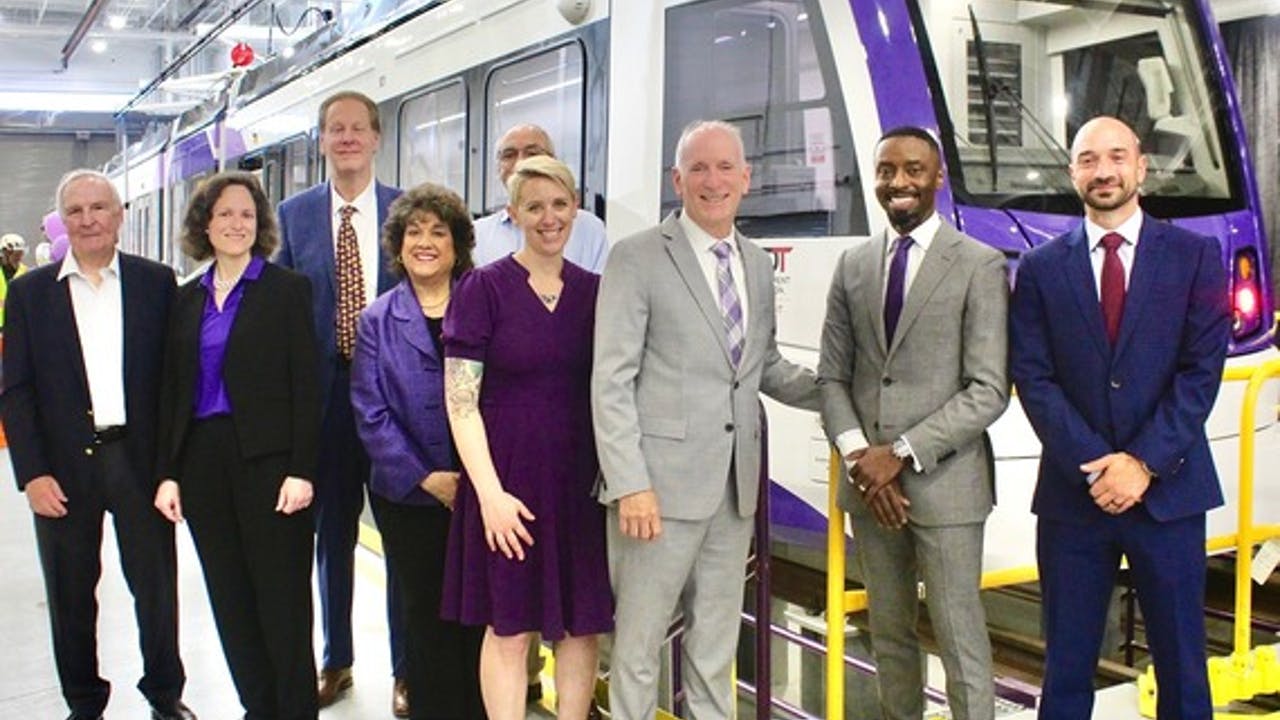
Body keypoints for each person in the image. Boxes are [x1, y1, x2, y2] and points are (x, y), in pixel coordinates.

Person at [592, 120, 819, 720]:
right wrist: (629, 484)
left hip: (734, 489)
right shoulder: (636, 258)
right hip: (655, 494)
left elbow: (761, 366)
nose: (712, 181)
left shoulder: (755, 262)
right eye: (698, 168)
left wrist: (840, 392)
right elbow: (610, 381)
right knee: (638, 648)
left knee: (715, 646)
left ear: (746, 179)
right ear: (677, 180)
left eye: (725, 168)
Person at [1009, 115, 1230, 720]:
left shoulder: (1194, 257)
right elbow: (1034, 377)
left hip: (1169, 494)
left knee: (1184, 672)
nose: (1102, 171)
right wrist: (1099, 466)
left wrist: (1143, 464)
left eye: (1115, 157)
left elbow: (1199, 372)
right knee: (1067, 672)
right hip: (1073, 500)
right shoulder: (1039, 269)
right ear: (1072, 172)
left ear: (1141, 168)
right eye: (1087, 160)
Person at [817, 126, 1010, 720]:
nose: (898, 182)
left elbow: (988, 390)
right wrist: (861, 461)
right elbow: (832, 378)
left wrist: (897, 454)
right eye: (886, 171)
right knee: (890, 636)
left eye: (913, 170)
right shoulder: (852, 266)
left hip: (946, 487)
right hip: (872, 488)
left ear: (937, 177)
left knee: (960, 641)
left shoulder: (979, 264)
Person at [1, 169, 195, 720]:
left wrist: (171, 468)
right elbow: (16, 389)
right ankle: (84, 703)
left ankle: (164, 694)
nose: (88, 220)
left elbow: (176, 382)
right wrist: (32, 472)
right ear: (63, 222)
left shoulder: (156, 284)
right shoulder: (30, 293)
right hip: (63, 469)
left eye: (99, 208)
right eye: (76, 211)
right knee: (70, 594)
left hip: (139, 462)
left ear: (119, 216)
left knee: (156, 590)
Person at [441, 155, 611, 720]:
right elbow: (461, 401)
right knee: (509, 628)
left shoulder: (596, 293)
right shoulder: (481, 289)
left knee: (581, 626)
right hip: (506, 484)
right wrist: (488, 495)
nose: (548, 217)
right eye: (534, 206)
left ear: (576, 210)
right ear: (512, 214)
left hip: (579, 485)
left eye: (559, 204)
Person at [153, 172, 321, 720]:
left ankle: (294, 710)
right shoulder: (184, 300)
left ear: (260, 224)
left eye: (246, 214)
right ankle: (259, 707)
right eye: (224, 214)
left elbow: (307, 385)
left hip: (271, 467)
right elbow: (172, 393)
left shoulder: (286, 290)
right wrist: (169, 472)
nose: (236, 224)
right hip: (203, 464)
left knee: (282, 601)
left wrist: (302, 468)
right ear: (205, 223)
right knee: (230, 598)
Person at [275, 89, 409, 714]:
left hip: (394, 402)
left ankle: (407, 670)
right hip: (323, 403)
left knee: (403, 538)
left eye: (358, 128)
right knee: (332, 538)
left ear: (378, 138)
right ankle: (337, 660)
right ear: (322, 141)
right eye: (336, 129)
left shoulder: (406, 212)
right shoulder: (293, 215)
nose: (348, 138)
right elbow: (274, 302)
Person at [350, 183, 486, 720]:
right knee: (423, 616)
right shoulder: (377, 320)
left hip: (482, 494)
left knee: (478, 615)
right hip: (407, 498)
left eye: (438, 232)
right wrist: (425, 477)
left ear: (457, 245)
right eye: (414, 232)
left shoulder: (484, 304)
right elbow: (369, 411)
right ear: (398, 245)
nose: (425, 242)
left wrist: (474, 479)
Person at [473, 124, 609, 273]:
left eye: (532, 153)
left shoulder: (590, 229)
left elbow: (602, 291)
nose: (520, 163)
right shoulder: (478, 235)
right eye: (509, 155)